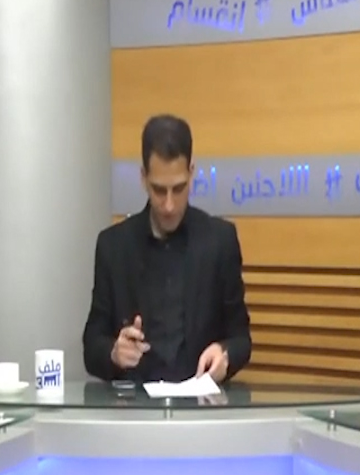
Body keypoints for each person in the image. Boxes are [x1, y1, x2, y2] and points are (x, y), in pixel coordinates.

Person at [82, 114, 252, 385]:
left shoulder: (220, 241)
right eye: (159, 190)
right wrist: (114, 352)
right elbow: (92, 345)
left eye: (179, 188)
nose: (169, 205)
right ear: (143, 178)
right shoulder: (113, 247)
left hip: (199, 402)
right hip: (135, 404)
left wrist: (224, 353)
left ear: (192, 173)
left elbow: (241, 339)